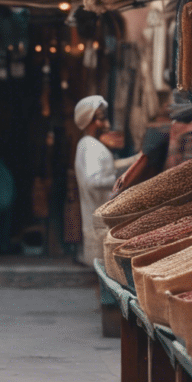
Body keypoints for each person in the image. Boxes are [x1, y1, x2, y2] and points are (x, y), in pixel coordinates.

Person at [74, 95, 116, 267]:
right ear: (89, 120)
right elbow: (93, 181)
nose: (106, 125)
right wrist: (121, 180)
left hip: (99, 222)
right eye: (100, 119)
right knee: (102, 271)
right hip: (100, 223)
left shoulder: (88, 144)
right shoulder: (90, 146)